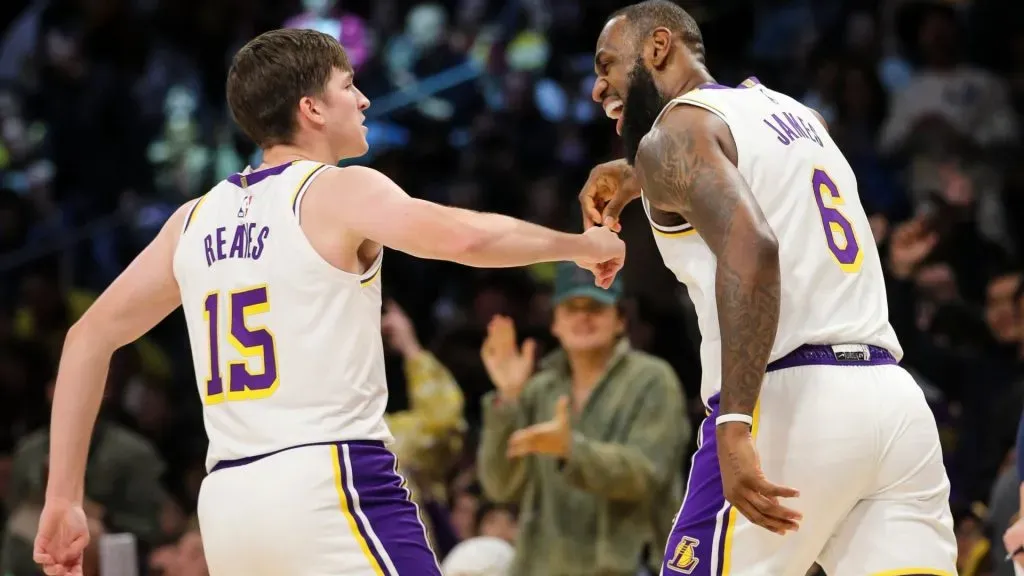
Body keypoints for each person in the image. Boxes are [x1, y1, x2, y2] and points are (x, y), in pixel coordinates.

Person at [32, 28, 625, 576]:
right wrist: (575, 245)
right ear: (311, 109)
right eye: (349, 86)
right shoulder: (338, 190)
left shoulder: (191, 220)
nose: (365, 100)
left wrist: (63, 497)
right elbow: (464, 237)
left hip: (228, 505)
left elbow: (87, 338)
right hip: (327, 480)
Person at [579, 1, 956, 575]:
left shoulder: (673, 137)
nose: (597, 86)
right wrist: (639, 177)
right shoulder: (794, 113)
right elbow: (751, 172)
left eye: (607, 64)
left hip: (790, 402)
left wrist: (735, 422)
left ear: (658, 48)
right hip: (894, 404)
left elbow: (753, 248)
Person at [477, 263, 687, 576]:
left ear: (620, 320)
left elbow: (645, 474)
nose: (583, 317)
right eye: (571, 308)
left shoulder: (653, 380)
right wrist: (507, 399)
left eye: (595, 307)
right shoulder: (539, 389)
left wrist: (571, 450)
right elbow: (499, 486)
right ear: (555, 323)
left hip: (629, 568)